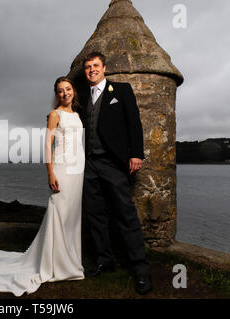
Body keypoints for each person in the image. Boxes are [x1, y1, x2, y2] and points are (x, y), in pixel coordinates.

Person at [0, 76, 85, 297]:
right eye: (61, 91)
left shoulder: (78, 116)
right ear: (57, 94)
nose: (65, 93)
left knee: (72, 217)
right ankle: (57, 264)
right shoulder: (55, 115)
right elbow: (47, 145)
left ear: (74, 91)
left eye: (68, 89)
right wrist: (50, 172)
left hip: (78, 171)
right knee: (59, 214)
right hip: (62, 169)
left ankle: (70, 260)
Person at [78, 51, 152, 295]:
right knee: (96, 215)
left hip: (114, 163)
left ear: (104, 67)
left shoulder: (121, 90)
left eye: (95, 66)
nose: (91, 70)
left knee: (126, 215)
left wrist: (136, 154)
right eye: (88, 67)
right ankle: (104, 260)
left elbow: (134, 123)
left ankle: (141, 270)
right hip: (89, 165)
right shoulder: (81, 96)